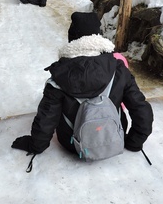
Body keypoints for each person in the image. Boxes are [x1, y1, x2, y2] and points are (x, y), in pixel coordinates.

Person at [11, 11, 153, 157]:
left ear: (72, 39)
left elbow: (47, 117)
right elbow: (140, 108)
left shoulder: (60, 74)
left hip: (72, 144)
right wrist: (134, 142)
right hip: (114, 136)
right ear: (98, 36)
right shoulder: (118, 69)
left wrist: (35, 145)